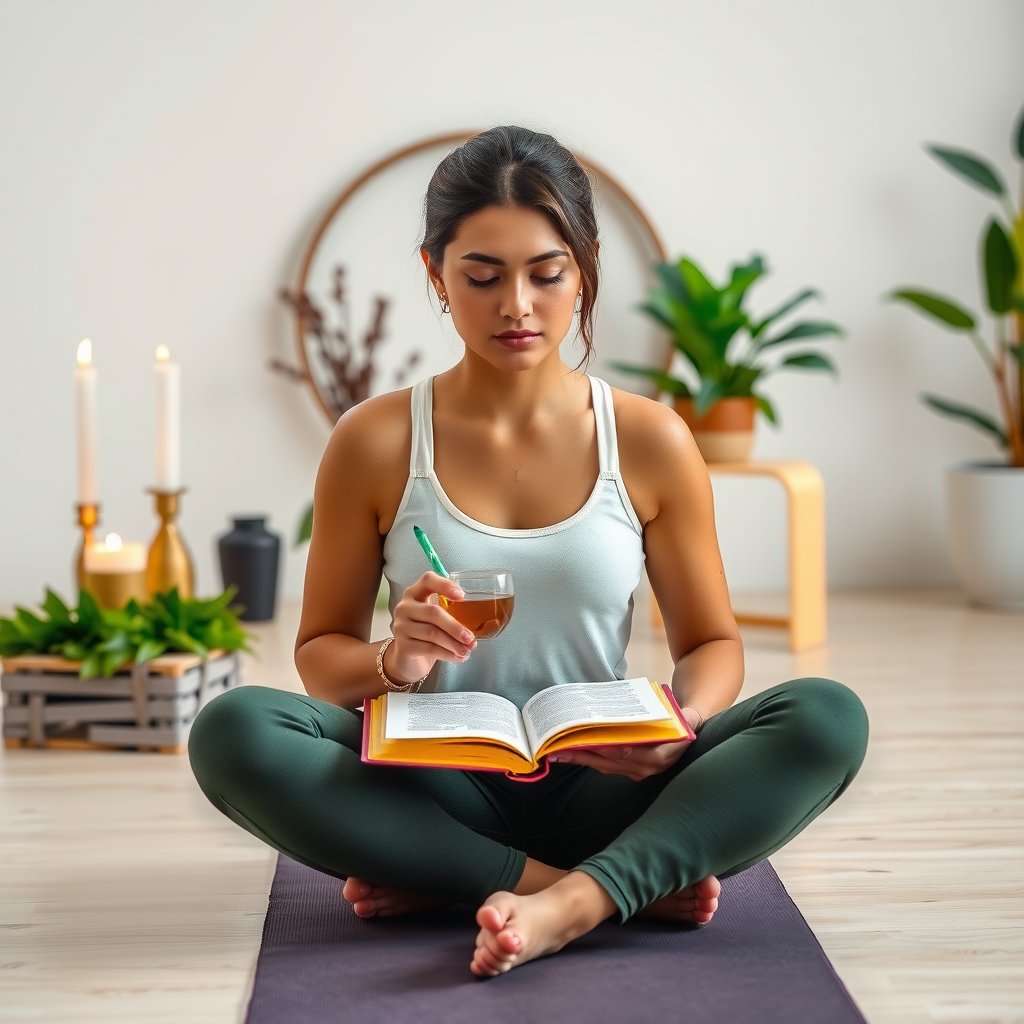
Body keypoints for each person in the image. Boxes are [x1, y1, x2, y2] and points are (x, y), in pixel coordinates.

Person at [189, 125, 868, 978]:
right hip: (432, 782)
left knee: (826, 716)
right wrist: (396, 659)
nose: (517, 304)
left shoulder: (650, 439)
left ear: (583, 269)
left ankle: (479, 885)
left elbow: (712, 647)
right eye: (482, 276)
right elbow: (321, 661)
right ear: (435, 274)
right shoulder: (374, 440)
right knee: (235, 729)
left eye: (547, 274)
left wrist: (679, 725)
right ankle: (595, 892)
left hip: (606, 782)